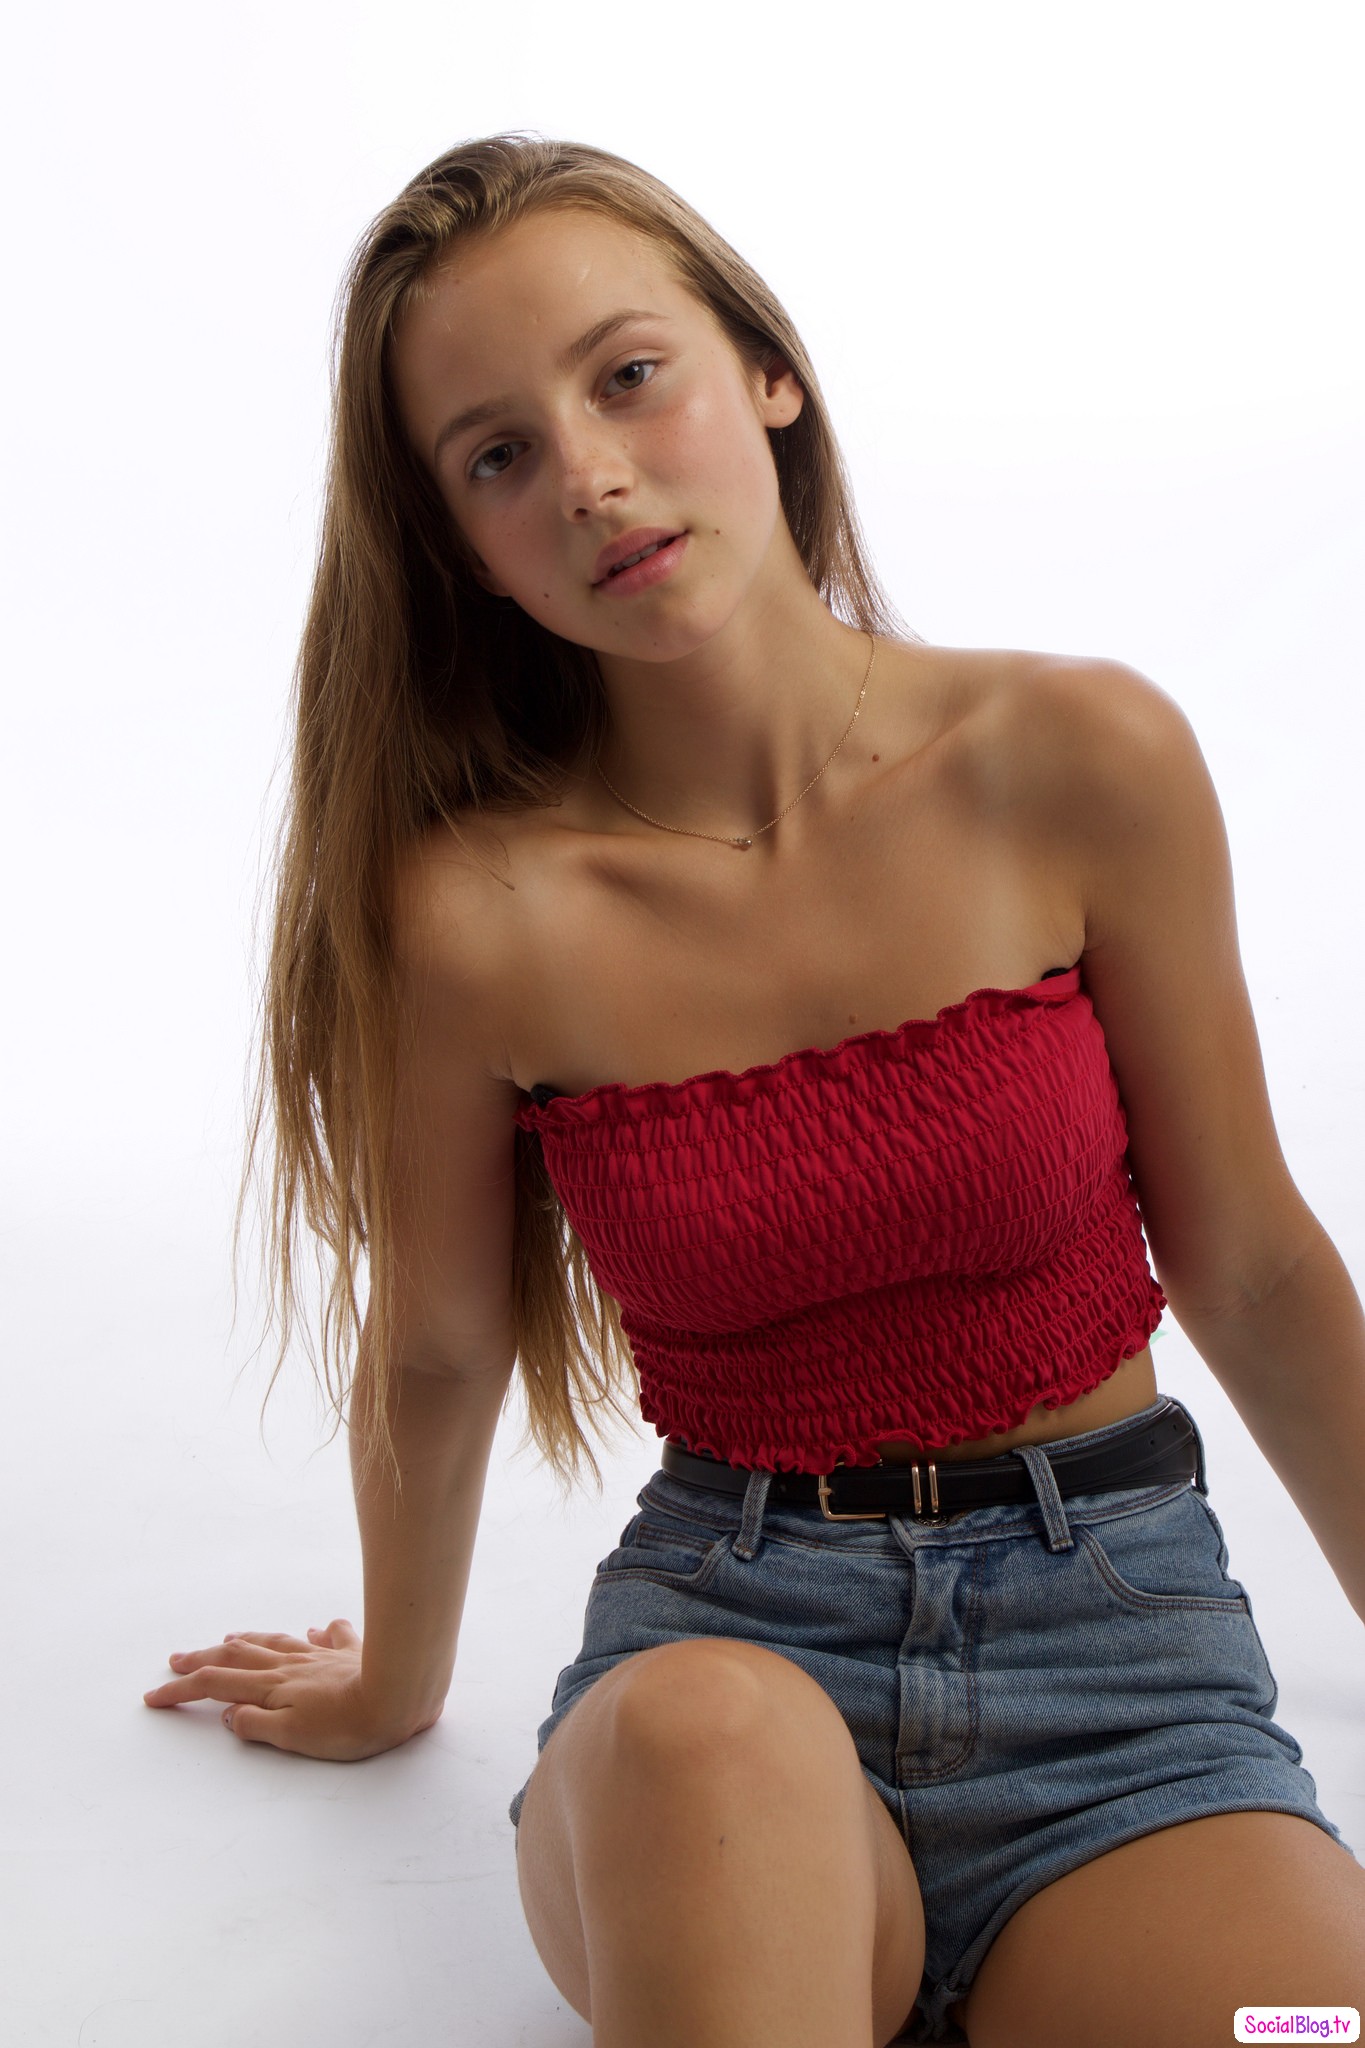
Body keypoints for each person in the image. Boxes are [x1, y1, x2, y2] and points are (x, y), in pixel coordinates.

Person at [142, 134, 1365, 2045]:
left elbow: (1256, 1267)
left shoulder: (1078, 756)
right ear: (459, 545)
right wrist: (392, 1682)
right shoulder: (481, 916)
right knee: (705, 1732)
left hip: (1120, 1669)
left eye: (627, 376)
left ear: (767, 371)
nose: (588, 475)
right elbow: (441, 1345)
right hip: (727, 1662)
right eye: (497, 456)